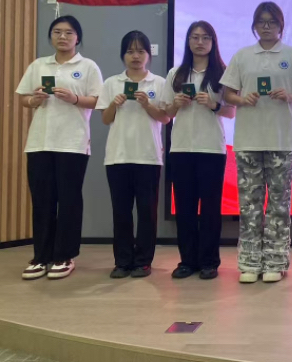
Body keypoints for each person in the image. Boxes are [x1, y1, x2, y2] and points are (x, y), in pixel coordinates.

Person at [221, 2, 292, 284]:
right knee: (250, 204)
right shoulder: (242, 56)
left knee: (279, 204)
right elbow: (227, 93)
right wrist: (241, 99)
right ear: (254, 25)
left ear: (281, 25)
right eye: (261, 21)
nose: (267, 26)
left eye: (272, 22)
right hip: (248, 140)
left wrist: (289, 96)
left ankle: (276, 261)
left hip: (282, 139)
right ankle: (249, 262)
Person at [16, 16, 102, 280]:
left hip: (73, 143)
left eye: (68, 32)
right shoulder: (39, 64)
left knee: (68, 200)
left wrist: (74, 98)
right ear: (51, 36)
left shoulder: (87, 66)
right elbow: (23, 98)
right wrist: (34, 100)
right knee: (42, 200)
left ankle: (64, 256)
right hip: (40, 142)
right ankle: (41, 256)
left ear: (78, 38)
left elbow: (98, 100)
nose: (62, 37)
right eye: (57, 32)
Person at [161, 21, 235, 280]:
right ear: (188, 41)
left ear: (213, 42)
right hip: (181, 148)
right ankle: (187, 261)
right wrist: (176, 104)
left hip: (212, 148)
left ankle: (209, 262)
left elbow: (231, 112)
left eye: (205, 38)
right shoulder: (176, 74)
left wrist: (214, 104)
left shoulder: (222, 73)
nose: (200, 42)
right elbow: (166, 113)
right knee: (185, 207)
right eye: (195, 37)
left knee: (211, 208)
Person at [96, 30, 170, 278]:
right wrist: (114, 104)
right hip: (117, 156)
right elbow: (105, 119)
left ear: (148, 55)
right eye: (130, 51)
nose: (135, 56)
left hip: (148, 156)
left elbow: (165, 118)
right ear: (123, 55)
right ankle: (122, 261)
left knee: (147, 212)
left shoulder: (158, 83)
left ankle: (143, 261)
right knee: (121, 212)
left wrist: (147, 104)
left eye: (140, 51)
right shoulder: (111, 83)